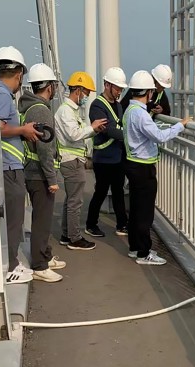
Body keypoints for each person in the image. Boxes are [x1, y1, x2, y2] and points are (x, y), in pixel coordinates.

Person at [0, 46, 40, 284]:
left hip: (5, 165)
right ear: (18, 74)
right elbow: (0, 127)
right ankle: (10, 267)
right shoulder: (2, 95)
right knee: (15, 217)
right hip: (8, 167)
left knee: (12, 217)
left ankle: (11, 262)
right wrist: (24, 130)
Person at [122, 70, 190, 265]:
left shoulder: (129, 111)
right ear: (149, 93)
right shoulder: (141, 115)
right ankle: (144, 253)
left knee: (136, 209)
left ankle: (135, 248)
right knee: (145, 211)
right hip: (144, 167)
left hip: (133, 164)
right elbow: (159, 137)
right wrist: (180, 125)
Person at [18, 63, 67, 282]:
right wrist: (52, 179)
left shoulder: (30, 107)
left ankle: (44, 256)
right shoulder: (42, 110)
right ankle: (39, 265)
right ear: (49, 87)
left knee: (42, 218)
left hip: (32, 171)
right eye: (54, 85)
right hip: (39, 174)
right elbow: (46, 148)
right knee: (42, 219)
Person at [55, 71, 107, 250]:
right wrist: (91, 128)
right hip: (72, 161)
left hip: (73, 159)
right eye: (86, 93)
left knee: (71, 200)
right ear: (77, 90)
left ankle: (66, 234)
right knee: (75, 202)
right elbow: (73, 134)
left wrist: (93, 130)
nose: (86, 97)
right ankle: (75, 238)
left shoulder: (70, 111)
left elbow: (78, 134)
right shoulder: (66, 111)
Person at [85, 67, 129, 238]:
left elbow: (116, 126)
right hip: (103, 158)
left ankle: (122, 224)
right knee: (101, 191)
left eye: (121, 89)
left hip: (117, 156)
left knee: (118, 191)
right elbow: (107, 130)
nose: (119, 91)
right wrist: (129, 135)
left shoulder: (118, 105)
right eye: (117, 88)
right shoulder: (97, 105)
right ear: (107, 85)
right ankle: (91, 224)